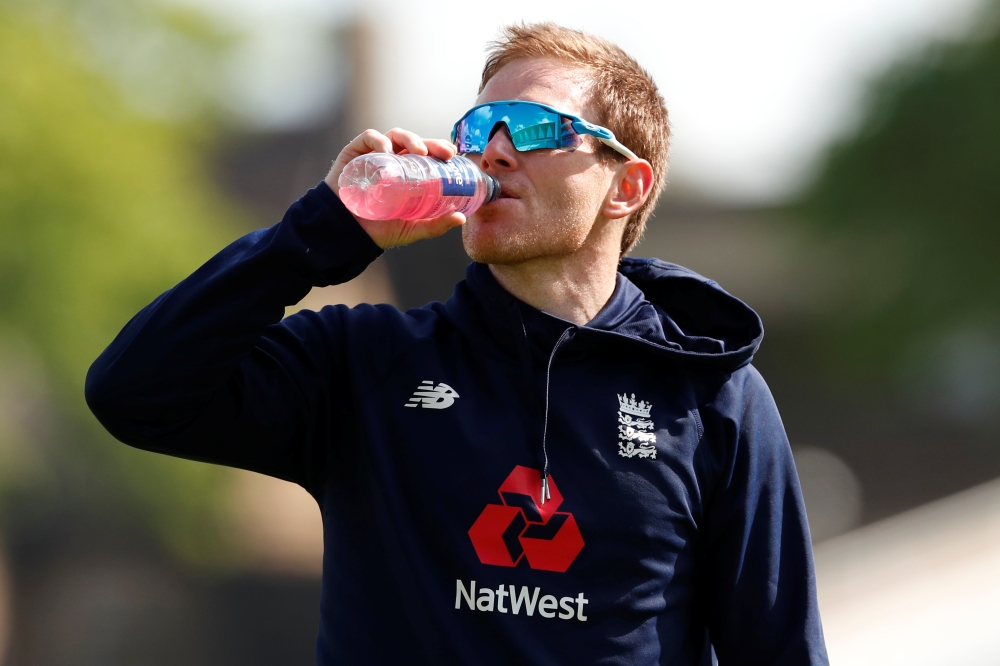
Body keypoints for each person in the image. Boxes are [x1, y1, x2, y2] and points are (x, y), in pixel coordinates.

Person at [86, 22, 828, 666]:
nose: (494, 152)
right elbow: (134, 392)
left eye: (534, 129)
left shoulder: (711, 396)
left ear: (625, 186)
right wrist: (319, 232)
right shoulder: (365, 360)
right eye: (480, 130)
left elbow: (779, 650)